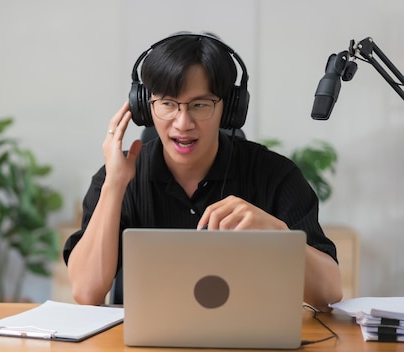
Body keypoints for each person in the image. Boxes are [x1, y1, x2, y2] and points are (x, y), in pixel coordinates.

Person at [63, 32, 342, 312]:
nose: (183, 124)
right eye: (168, 104)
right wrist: (115, 184)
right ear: (145, 107)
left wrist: (280, 236)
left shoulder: (274, 174)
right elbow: (87, 293)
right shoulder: (117, 177)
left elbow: (329, 293)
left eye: (200, 105)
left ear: (230, 108)